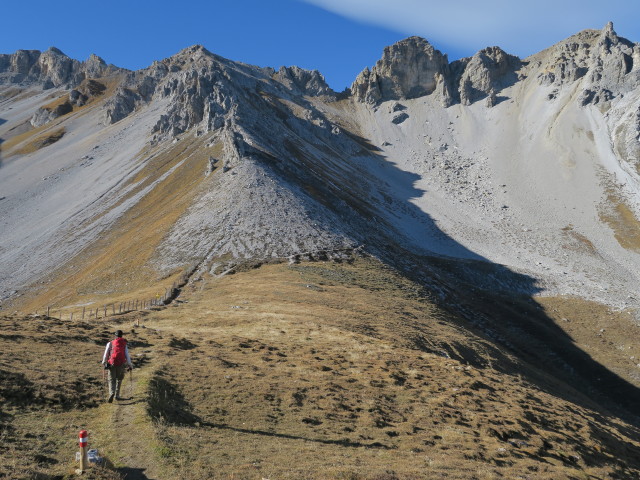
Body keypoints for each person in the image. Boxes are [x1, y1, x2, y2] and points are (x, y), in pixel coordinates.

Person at [101, 330, 133, 403]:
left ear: (115, 335)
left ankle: (112, 393)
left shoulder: (110, 343)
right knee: (119, 379)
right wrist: (129, 364)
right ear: (122, 336)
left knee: (112, 379)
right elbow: (127, 355)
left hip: (112, 363)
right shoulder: (124, 344)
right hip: (121, 364)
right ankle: (117, 395)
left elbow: (106, 353)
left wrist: (104, 362)